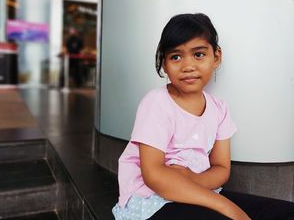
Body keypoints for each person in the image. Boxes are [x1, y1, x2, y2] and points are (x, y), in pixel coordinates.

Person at [112, 13, 294, 219]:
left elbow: (221, 169)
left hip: (201, 192)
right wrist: (228, 207)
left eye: (198, 54)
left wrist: (192, 179)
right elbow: (154, 176)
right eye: (176, 57)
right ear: (164, 63)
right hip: (152, 200)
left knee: (287, 212)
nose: (188, 66)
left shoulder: (219, 108)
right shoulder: (156, 103)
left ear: (216, 57)